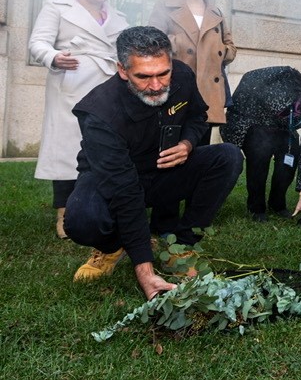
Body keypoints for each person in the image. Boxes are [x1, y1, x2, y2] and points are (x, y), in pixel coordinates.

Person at [63, 26, 243, 300]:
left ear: (171, 63)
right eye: (144, 77)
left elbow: (198, 116)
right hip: (111, 177)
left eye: (163, 73)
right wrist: (145, 271)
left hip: (162, 170)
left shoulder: (182, 75)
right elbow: (124, 191)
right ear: (122, 70)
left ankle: (180, 247)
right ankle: (112, 247)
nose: (157, 85)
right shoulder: (99, 112)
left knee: (228, 157)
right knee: (81, 219)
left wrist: (187, 144)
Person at [28, 0, 128, 239]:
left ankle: (101, 206)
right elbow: (37, 42)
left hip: (107, 86)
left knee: (103, 145)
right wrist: (54, 57)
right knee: (66, 148)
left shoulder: (118, 16)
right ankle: (64, 213)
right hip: (70, 84)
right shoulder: (57, 7)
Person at [148, 0, 237, 145]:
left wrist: (218, 51)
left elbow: (230, 46)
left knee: (201, 144)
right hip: (176, 83)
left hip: (208, 88)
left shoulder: (216, 12)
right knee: (171, 140)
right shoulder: (165, 5)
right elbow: (152, 41)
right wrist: (177, 43)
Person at [220, 66, 301, 223]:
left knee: (292, 154)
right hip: (252, 122)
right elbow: (247, 86)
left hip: (284, 129)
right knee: (260, 151)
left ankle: (277, 203)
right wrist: (234, 150)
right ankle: (256, 207)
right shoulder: (284, 79)